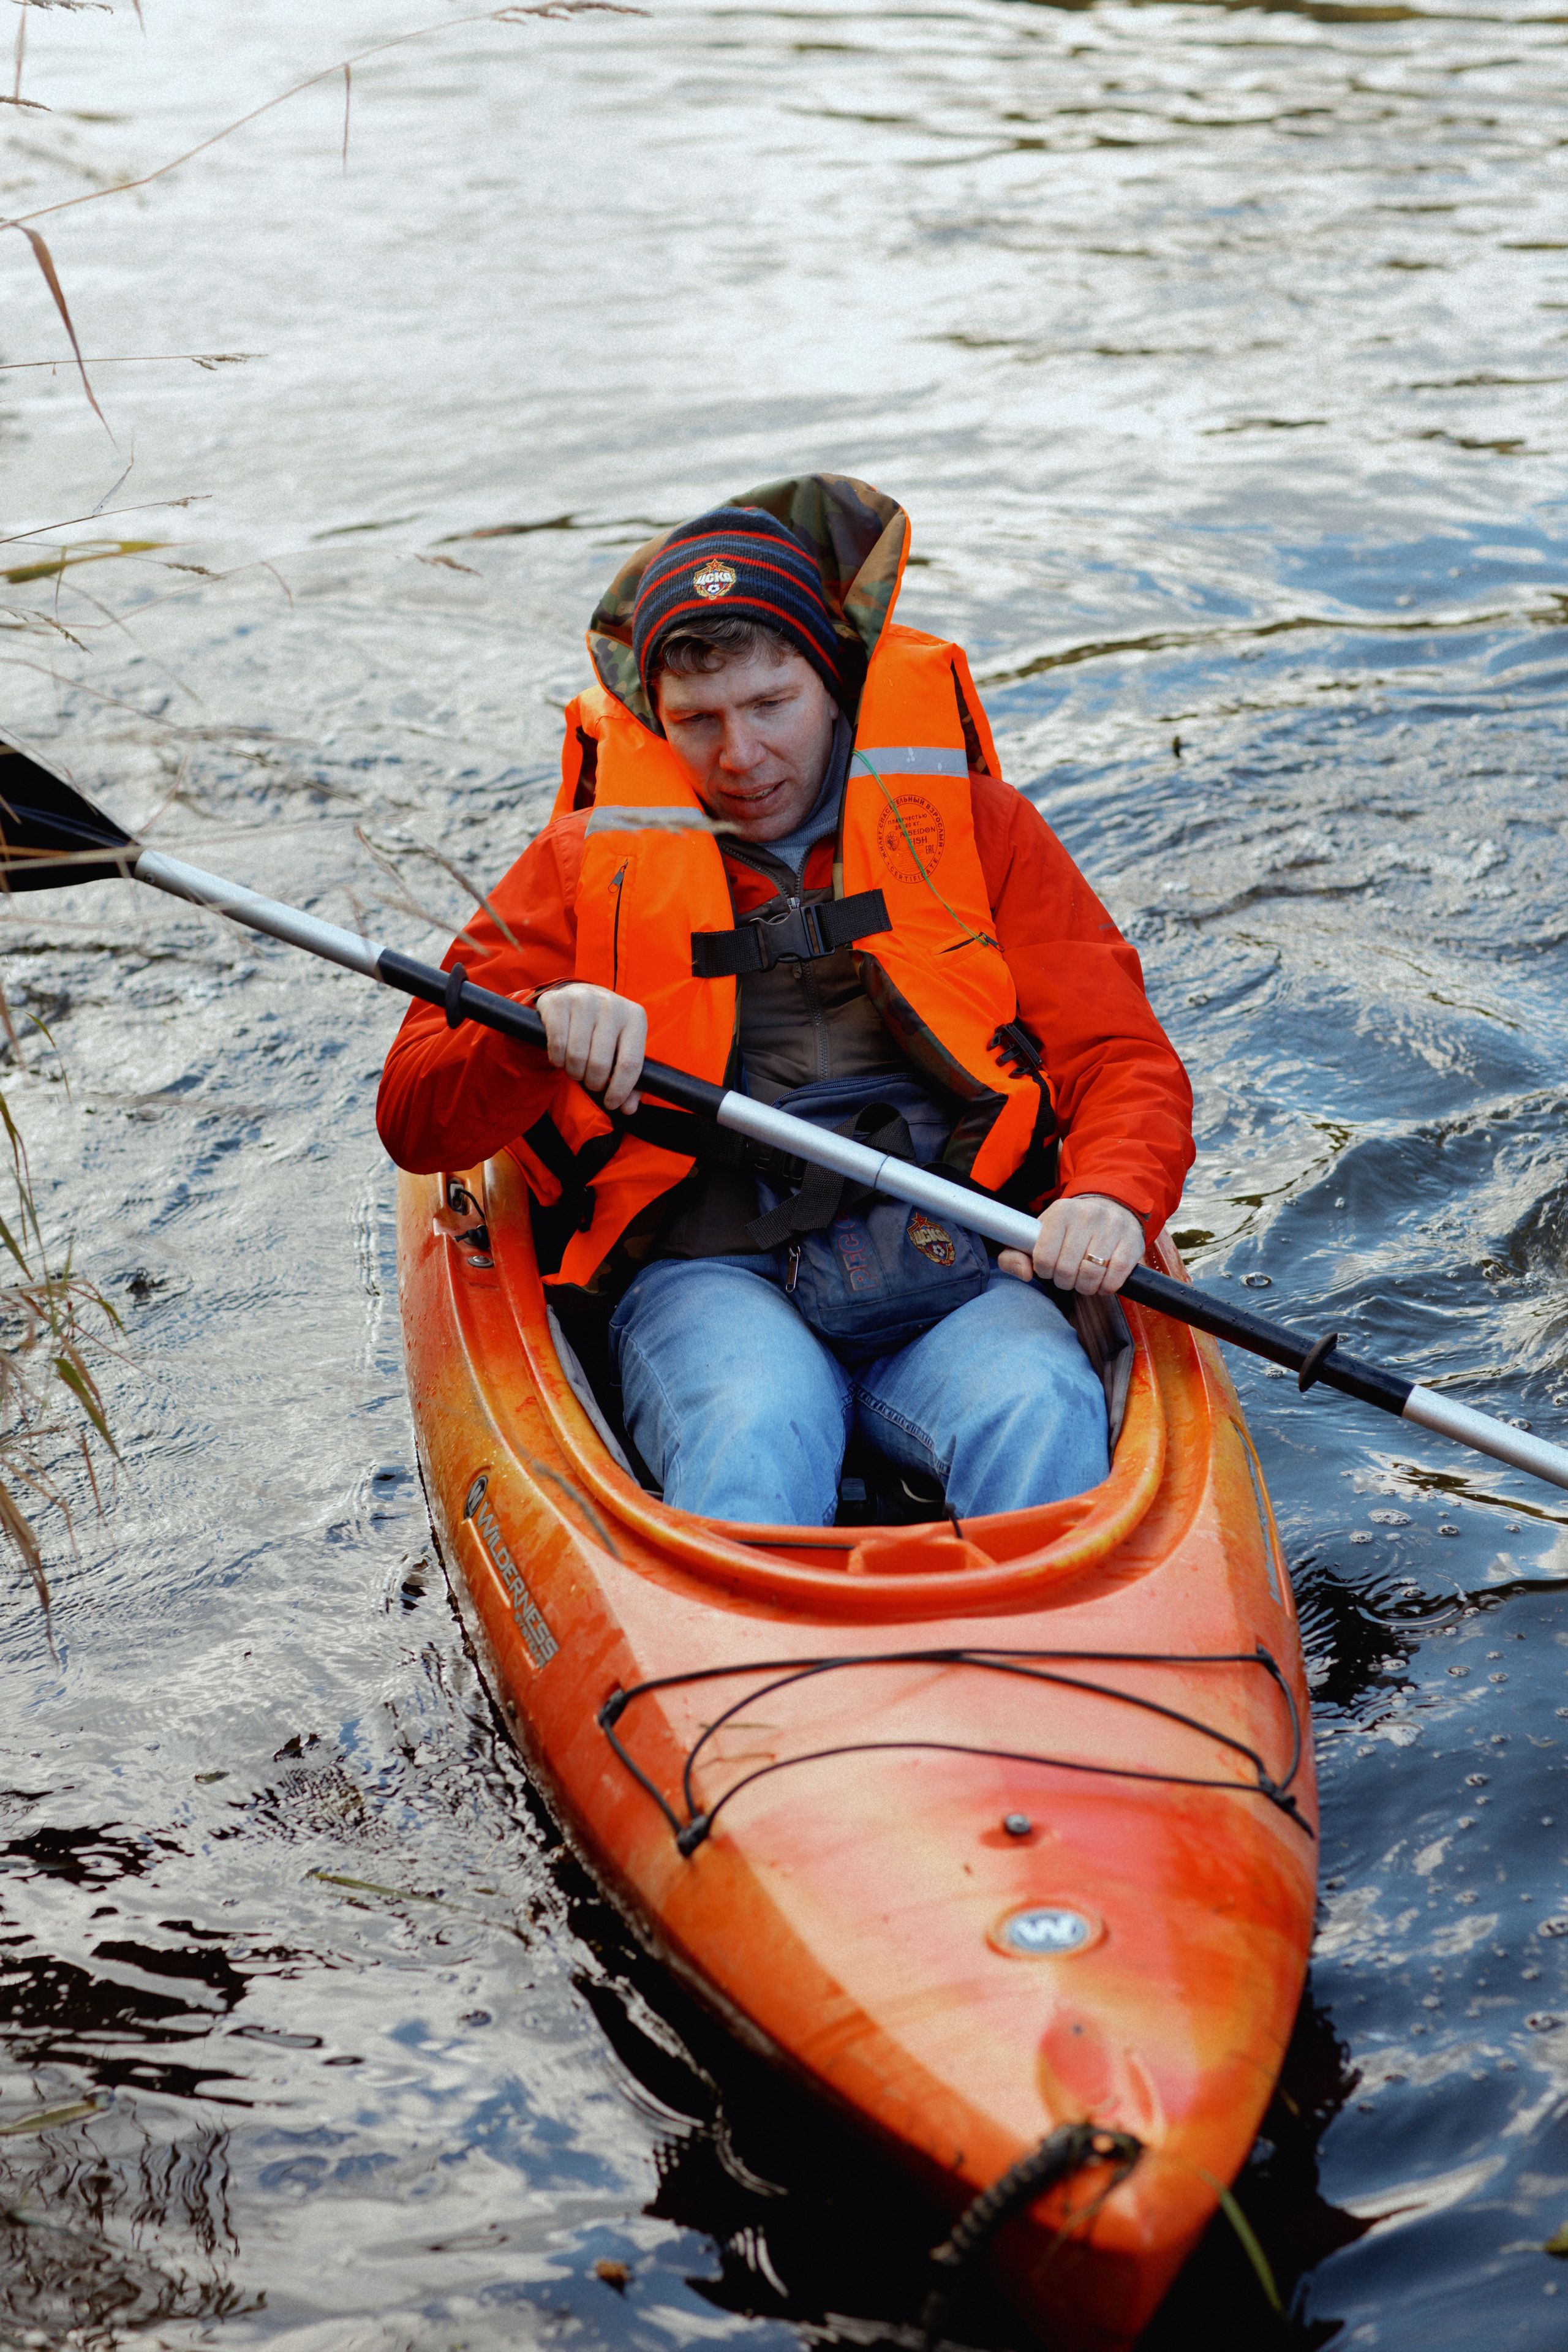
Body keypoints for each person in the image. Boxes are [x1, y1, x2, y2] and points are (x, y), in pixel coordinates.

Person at [377, 475, 1193, 1527]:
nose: (741, 756)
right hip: (706, 1273)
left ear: (835, 685)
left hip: (957, 1253)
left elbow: (1121, 1060)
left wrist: (1113, 1196)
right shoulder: (578, 867)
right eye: (698, 722)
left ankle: (1067, 1669)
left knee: (1040, 1405)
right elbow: (414, 1113)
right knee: (754, 1429)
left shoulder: (984, 829)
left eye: (773, 706)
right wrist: (537, 1027)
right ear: (653, 719)